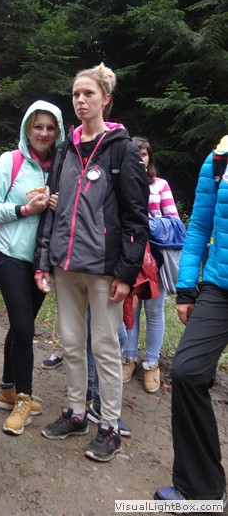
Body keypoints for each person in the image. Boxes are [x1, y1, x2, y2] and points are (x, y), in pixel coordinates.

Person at [34, 63, 149, 462]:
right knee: (70, 343)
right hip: (65, 266)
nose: (80, 101)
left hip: (104, 270)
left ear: (106, 100)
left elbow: (136, 217)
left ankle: (110, 426)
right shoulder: (65, 148)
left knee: (104, 346)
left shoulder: (122, 150)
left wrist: (126, 273)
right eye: (76, 95)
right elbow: (53, 208)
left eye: (88, 94)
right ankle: (76, 412)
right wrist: (44, 259)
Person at [0, 99, 65, 435]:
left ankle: (7, 388)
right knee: (25, 328)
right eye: (37, 127)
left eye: (50, 128)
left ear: (58, 131)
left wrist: (58, 203)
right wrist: (25, 209)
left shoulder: (61, 166)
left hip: (43, 259)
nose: (43, 133)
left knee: (20, 326)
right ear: (27, 128)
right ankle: (24, 400)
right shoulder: (10, 161)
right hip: (10, 254)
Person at [155, 135, 228, 508]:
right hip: (219, 286)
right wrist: (186, 289)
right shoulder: (219, 159)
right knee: (186, 372)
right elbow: (199, 226)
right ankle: (202, 486)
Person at [122, 136, 180, 393]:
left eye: (144, 154)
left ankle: (151, 363)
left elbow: (174, 221)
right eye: (135, 154)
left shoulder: (160, 185)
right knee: (131, 310)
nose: (140, 159)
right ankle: (129, 358)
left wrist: (146, 220)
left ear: (149, 158)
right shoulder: (121, 183)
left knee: (154, 311)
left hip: (155, 258)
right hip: (129, 256)